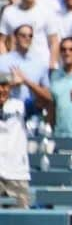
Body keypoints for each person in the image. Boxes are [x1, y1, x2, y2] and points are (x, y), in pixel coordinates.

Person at [0, 72, 31, 208]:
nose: (1, 89)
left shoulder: (20, 105)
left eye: (5, 85)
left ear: (10, 87)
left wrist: (26, 81)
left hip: (17, 172)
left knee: (21, 222)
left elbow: (47, 100)